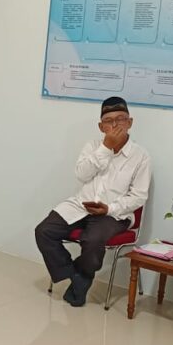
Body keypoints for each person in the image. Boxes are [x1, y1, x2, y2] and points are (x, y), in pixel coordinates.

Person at [34, 97, 151, 307]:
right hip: (81, 205)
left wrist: (110, 208)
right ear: (100, 126)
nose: (115, 125)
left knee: (92, 240)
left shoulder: (141, 156)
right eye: (109, 121)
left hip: (113, 214)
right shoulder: (93, 146)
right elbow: (81, 174)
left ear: (130, 122)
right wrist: (106, 148)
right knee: (44, 231)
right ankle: (76, 276)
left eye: (120, 119)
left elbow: (139, 196)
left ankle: (79, 279)